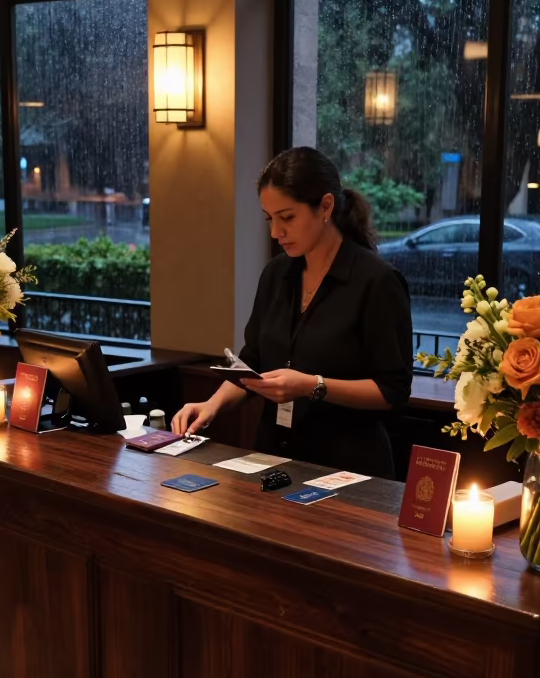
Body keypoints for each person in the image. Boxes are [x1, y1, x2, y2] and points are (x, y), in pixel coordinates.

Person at [172, 146, 413, 479]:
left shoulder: (377, 282)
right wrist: (211, 405)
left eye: (287, 218)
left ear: (325, 206)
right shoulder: (276, 274)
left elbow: (393, 391)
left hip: (347, 470)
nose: (275, 232)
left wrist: (312, 385)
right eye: (269, 219)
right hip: (274, 459)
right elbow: (251, 362)